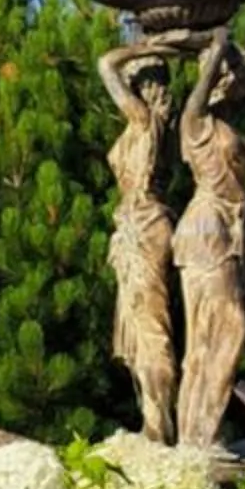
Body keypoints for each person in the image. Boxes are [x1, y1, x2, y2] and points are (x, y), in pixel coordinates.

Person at [174, 26, 245, 451]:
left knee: (210, 335)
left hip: (231, 231)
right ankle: (201, 435)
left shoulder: (228, 127)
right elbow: (199, 91)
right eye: (227, 74)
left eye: (240, 76)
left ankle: (199, 433)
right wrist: (217, 46)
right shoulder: (197, 124)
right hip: (206, 230)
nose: (233, 81)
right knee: (228, 329)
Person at [97, 41, 179, 442]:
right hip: (139, 223)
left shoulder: (145, 122)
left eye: (132, 82)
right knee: (144, 326)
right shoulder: (149, 127)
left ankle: (158, 425)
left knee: (150, 329)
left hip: (144, 225)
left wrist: (148, 45)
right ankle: (153, 416)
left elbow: (105, 64)